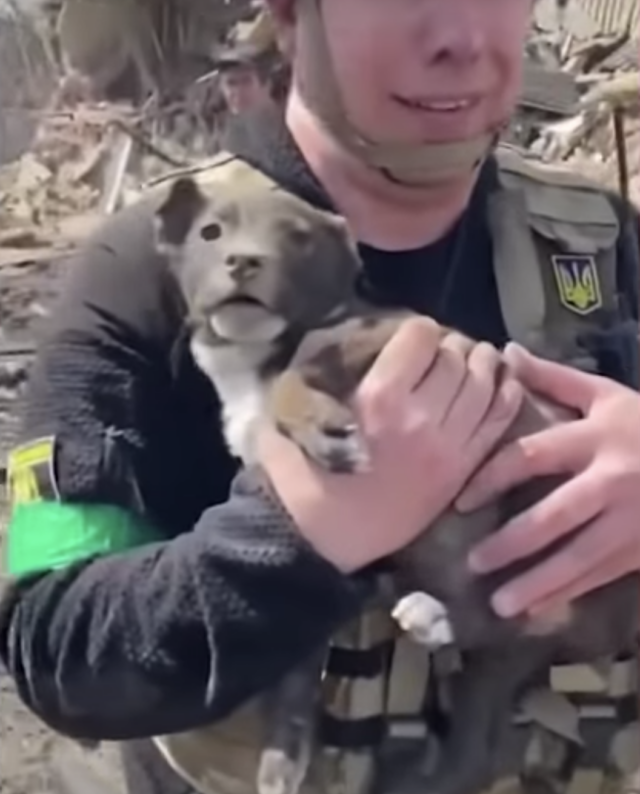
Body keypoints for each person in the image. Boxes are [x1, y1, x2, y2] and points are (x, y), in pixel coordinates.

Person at [1, 0, 638, 793]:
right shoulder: (144, 276)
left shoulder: (597, 245)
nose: (462, 40)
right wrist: (302, 532)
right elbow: (56, 646)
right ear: (292, 14)